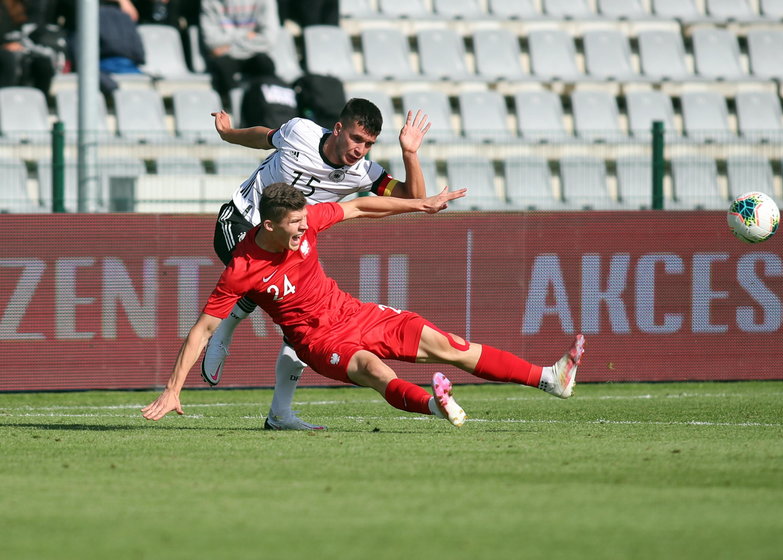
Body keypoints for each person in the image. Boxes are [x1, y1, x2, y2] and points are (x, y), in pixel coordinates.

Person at [142, 182, 585, 426]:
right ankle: (437, 405)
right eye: (294, 225)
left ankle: (550, 378)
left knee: (448, 345)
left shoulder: (309, 218)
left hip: (353, 312)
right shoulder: (242, 265)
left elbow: (357, 208)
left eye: (304, 221)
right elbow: (202, 329)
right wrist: (174, 388)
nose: (302, 230)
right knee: (376, 372)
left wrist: (419, 204)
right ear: (270, 224)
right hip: (315, 341)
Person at [205, 97, 432, 430]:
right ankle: (224, 330)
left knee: (306, 324)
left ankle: (280, 414)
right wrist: (228, 134)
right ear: (339, 129)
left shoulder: (364, 172)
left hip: (288, 251)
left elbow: (415, 199)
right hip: (241, 222)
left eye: (368, 144)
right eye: (357, 139)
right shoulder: (300, 131)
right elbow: (263, 137)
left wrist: (410, 154)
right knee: (263, 278)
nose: (360, 150)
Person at [199, 0, 281, 108]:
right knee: (222, 67)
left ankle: (265, 110)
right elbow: (211, 41)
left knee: (266, 65)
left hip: (247, 53)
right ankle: (231, 111)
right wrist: (248, 35)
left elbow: (269, 39)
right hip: (227, 57)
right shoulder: (210, 2)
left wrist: (229, 46)